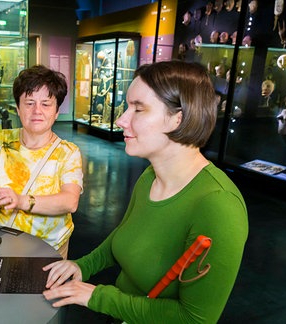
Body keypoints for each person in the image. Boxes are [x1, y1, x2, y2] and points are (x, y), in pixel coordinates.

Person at [42, 61, 248, 323]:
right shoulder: (150, 177)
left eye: (138, 109)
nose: (121, 119)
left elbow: (194, 319)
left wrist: (96, 296)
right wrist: (82, 266)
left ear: (178, 118)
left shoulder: (219, 206)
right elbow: (125, 236)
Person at [0, 65, 83, 259]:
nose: (37, 111)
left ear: (56, 112)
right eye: (29, 103)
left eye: (46, 104)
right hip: (0, 241)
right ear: (18, 108)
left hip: (48, 248)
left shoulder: (68, 153)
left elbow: (70, 201)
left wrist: (20, 200)